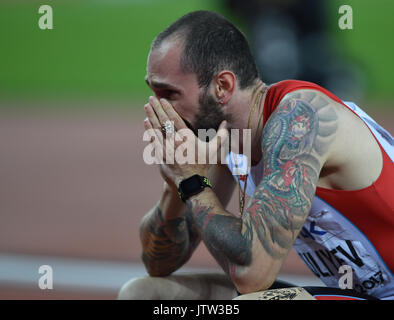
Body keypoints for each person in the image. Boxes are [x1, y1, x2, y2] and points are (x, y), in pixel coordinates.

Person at [118, 10, 393, 300]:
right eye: (153, 93)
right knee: (144, 294)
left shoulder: (300, 119)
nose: (160, 112)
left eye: (169, 94)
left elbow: (252, 276)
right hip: (361, 295)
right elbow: (159, 262)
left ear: (222, 86)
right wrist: (175, 182)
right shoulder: (223, 135)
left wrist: (192, 182)